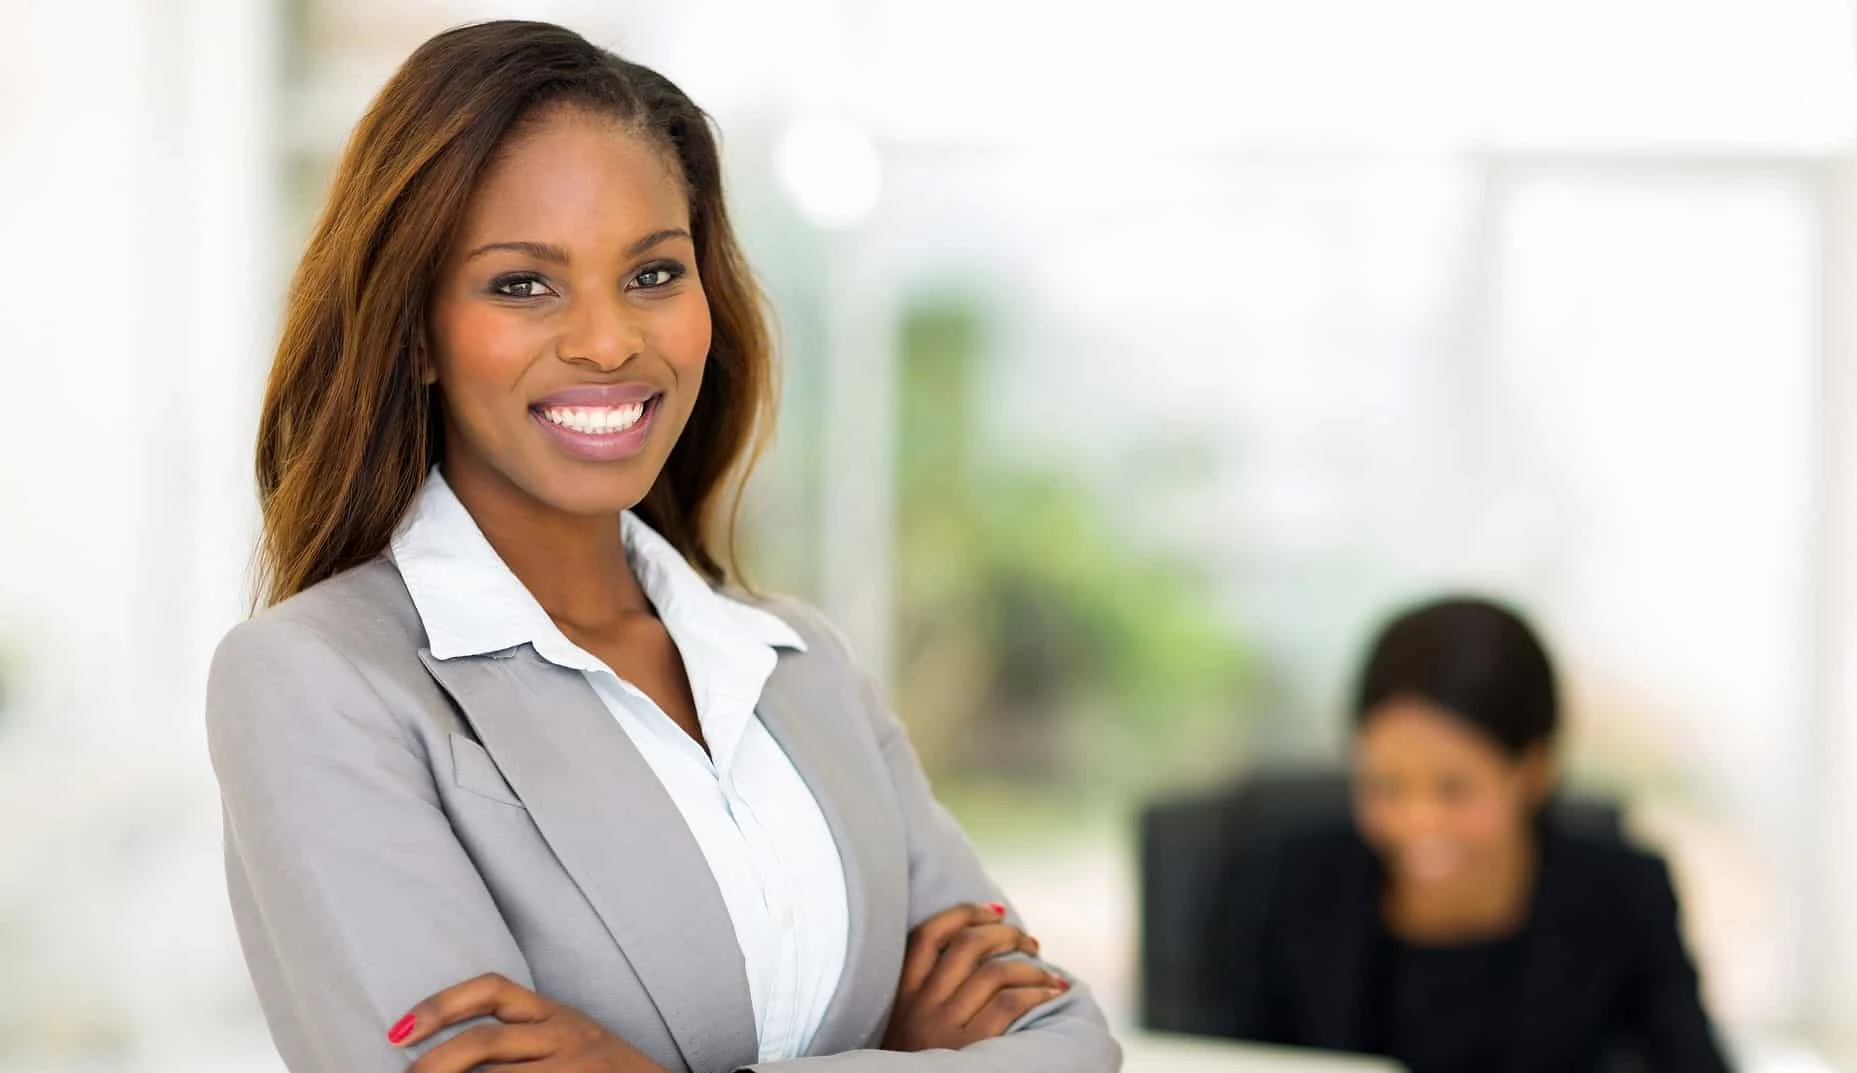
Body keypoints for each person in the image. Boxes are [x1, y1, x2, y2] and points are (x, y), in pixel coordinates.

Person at [205, 21, 1119, 1073]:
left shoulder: (798, 664)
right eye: (522, 284)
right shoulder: (316, 682)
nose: (608, 340)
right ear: (413, 332)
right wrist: (899, 1049)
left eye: (651, 274)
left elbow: (1070, 1046)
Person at [1205, 596, 1733, 1073]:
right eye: (1386, 786)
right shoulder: (1279, 881)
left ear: (1532, 771)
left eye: (1453, 790)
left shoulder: (1624, 895)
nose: (1418, 823)